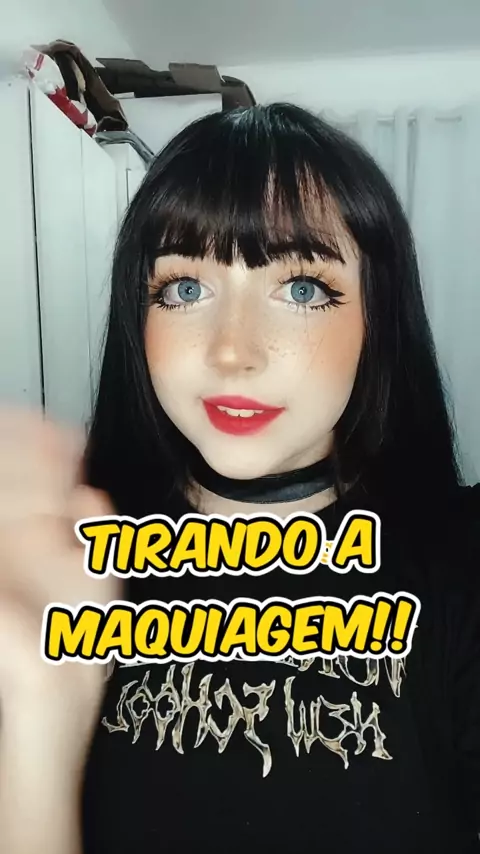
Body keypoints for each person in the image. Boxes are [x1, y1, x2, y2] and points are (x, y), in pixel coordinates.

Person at [0, 103, 479, 854]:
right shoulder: (68, 566)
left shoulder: (460, 565)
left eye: (301, 289)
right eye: (185, 289)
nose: (233, 351)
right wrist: (36, 707)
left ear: (378, 320)